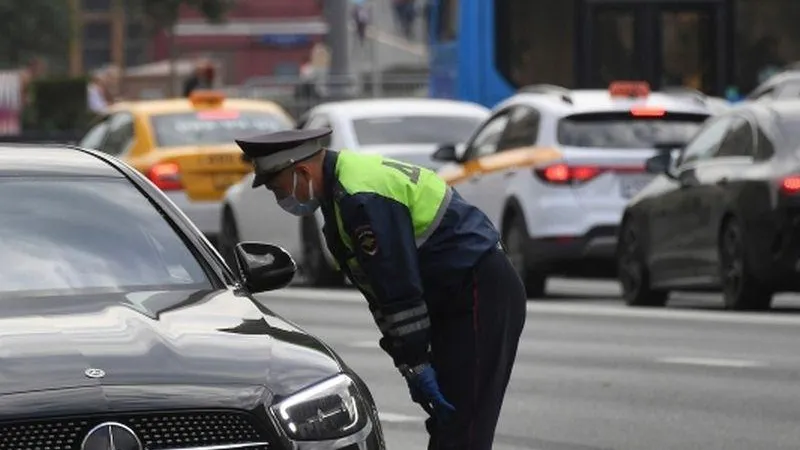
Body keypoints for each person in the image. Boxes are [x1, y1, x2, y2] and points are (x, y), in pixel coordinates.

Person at [235, 128, 527, 450]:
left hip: (477, 291)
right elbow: (378, 291)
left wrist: (415, 361)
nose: (282, 200)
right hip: (453, 293)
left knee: (464, 425)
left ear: (301, 171)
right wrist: (408, 361)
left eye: (279, 190)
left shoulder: (360, 197)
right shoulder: (341, 192)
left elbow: (397, 289)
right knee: (449, 423)